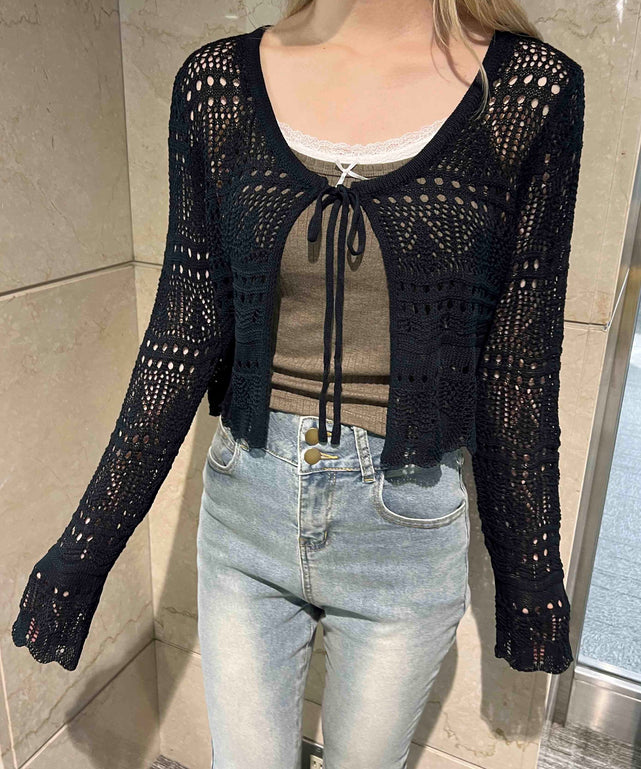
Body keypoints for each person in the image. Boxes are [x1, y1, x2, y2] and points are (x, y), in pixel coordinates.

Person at [12, 1, 586, 767]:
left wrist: (529, 578)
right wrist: (85, 549)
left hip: (404, 529)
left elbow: (517, 367)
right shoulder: (216, 83)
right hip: (244, 508)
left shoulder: (528, 92)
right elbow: (183, 334)